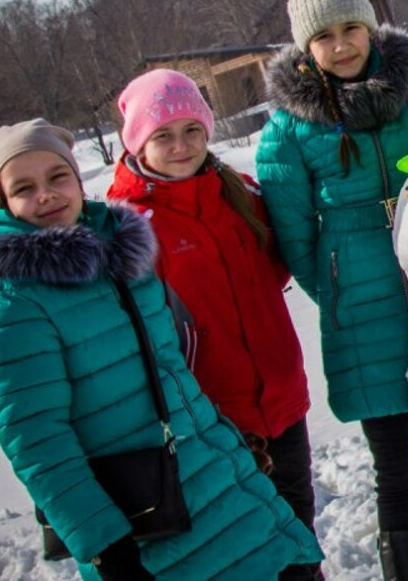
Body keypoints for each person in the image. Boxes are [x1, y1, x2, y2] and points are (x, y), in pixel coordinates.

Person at [0, 119, 322, 580]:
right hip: (144, 523)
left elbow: (174, 375)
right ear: (2, 203)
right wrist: (106, 547)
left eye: (57, 177)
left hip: (215, 481)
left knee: (295, 563)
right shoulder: (12, 307)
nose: (46, 194)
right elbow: (39, 444)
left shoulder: (123, 264)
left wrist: (227, 440)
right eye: (24, 186)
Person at [257, 0, 408, 579]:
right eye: (325, 37)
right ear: (305, 49)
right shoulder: (289, 129)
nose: (342, 46)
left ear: (369, 27)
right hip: (359, 307)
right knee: (397, 466)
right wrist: (337, 289)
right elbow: (293, 235)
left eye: (351, 29)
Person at [107, 70, 320, 580]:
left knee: (300, 542)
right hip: (213, 423)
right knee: (246, 554)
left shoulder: (241, 194)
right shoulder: (128, 225)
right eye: (163, 135)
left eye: (192, 131)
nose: (181, 146)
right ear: (137, 141)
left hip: (283, 404)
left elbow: (276, 264)